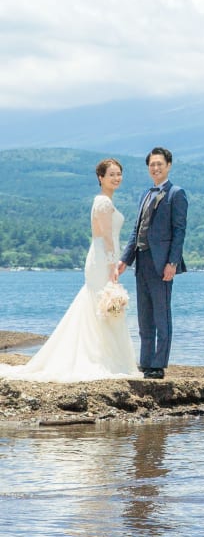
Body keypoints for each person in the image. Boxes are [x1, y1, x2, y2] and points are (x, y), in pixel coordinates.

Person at [0, 159, 141, 382]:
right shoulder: (103, 202)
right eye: (111, 174)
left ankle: (102, 356)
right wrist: (113, 265)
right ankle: (97, 358)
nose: (116, 178)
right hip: (102, 258)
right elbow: (107, 238)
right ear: (100, 178)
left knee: (96, 305)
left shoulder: (105, 201)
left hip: (101, 256)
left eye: (119, 174)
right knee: (99, 303)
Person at [118, 147, 188, 379]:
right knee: (144, 315)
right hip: (142, 260)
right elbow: (135, 231)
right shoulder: (145, 194)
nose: (155, 168)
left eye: (159, 164)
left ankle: (159, 364)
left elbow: (179, 232)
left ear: (168, 165)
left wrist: (173, 263)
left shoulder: (176, 194)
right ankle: (146, 362)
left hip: (162, 263)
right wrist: (125, 260)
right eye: (152, 165)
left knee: (161, 314)